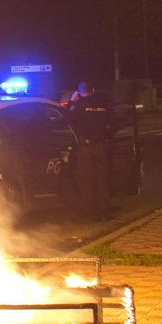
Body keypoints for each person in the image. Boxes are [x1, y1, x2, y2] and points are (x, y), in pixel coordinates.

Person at [68, 81, 114, 220]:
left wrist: (72, 102)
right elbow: (114, 123)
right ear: (93, 90)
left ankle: (89, 213)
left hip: (86, 148)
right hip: (101, 146)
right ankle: (104, 213)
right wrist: (106, 137)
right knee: (102, 181)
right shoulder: (104, 104)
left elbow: (67, 119)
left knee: (86, 181)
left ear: (79, 92)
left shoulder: (80, 105)